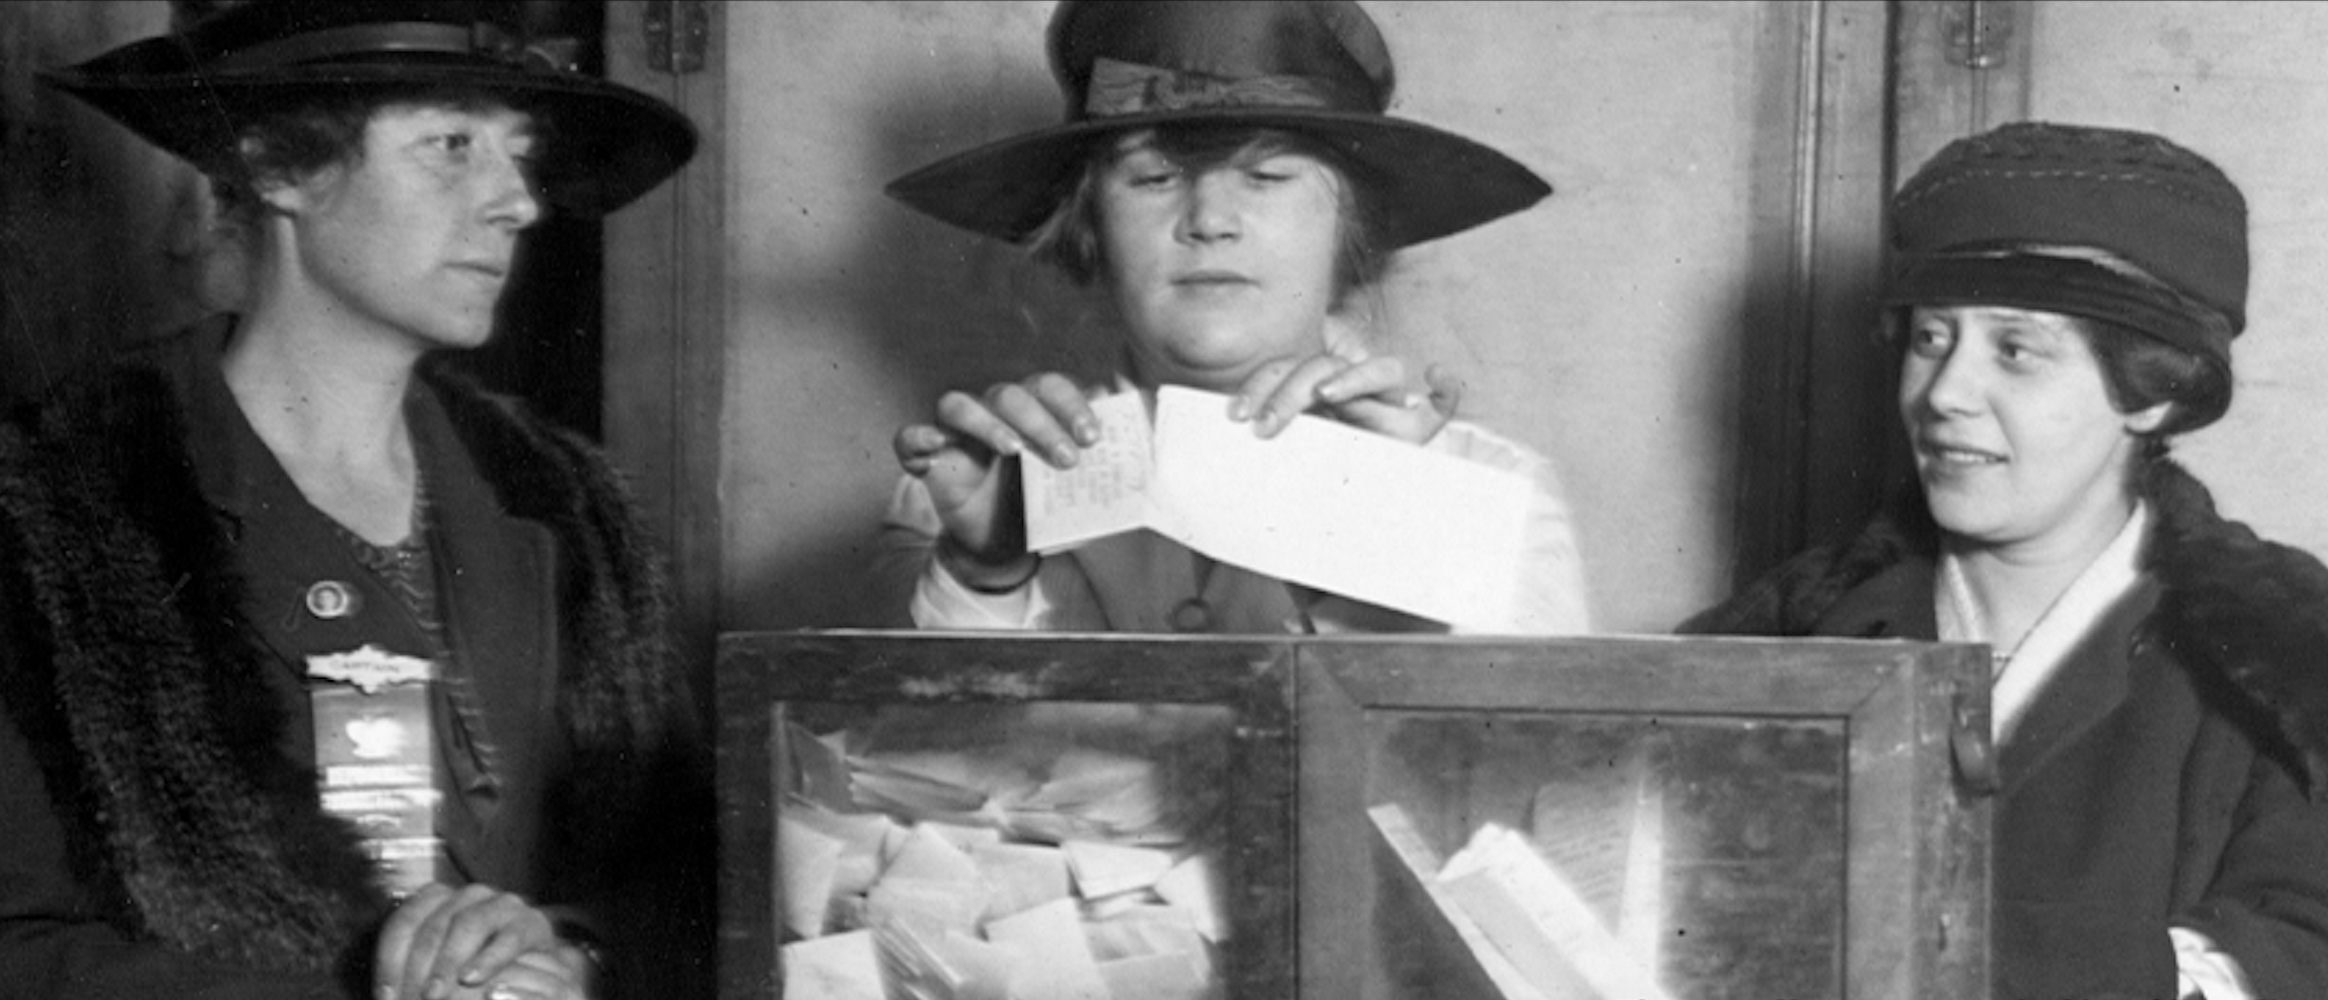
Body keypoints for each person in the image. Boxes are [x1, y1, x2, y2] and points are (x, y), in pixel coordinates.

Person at [3, 3, 709, 999]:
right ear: (278, 166)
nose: (518, 203)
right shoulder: (48, 512)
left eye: (521, 154)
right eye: (451, 145)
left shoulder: (569, 506)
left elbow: (674, 880)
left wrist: (577, 959)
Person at [1681, 121, 2328, 999]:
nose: (1944, 394)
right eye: (1930, 339)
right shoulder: (1787, 635)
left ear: (2152, 393)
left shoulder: (2287, 662)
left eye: (2015, 351)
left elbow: (2302, 947)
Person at [874, 0, 1592, 636]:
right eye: (1153, 177)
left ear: (1353, 231)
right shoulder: (966, 490)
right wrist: (984, 572)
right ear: (1087, 226)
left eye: (1269, 175)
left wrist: (1383, 523)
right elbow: (887, 768)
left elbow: (1524, 764)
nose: (1210, 220)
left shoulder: (1490, 492)